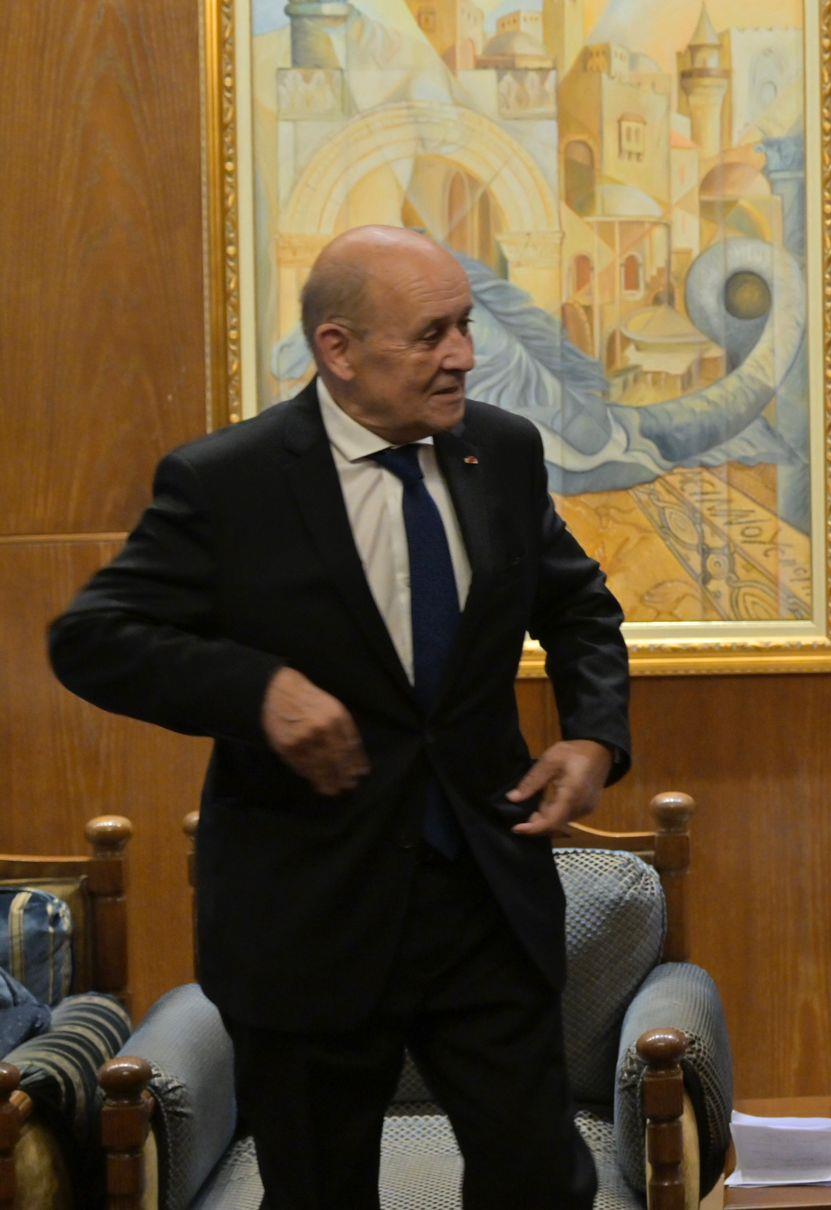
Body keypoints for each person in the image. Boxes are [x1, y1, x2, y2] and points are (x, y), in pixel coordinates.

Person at [50, 226, 630, 1208]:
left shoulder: (500, 450)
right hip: (308, 915)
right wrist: (256, 689)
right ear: (339, 349)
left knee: (541, 1183)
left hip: (483, 898)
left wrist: (593, 735)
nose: (463, 356)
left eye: (465, 326)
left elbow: (578, 607)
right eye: (432, 334)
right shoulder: (227, 481)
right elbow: (92, 638)